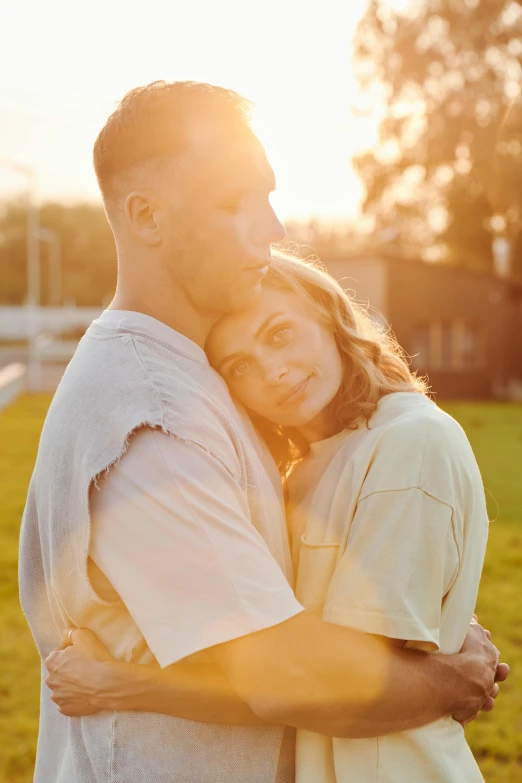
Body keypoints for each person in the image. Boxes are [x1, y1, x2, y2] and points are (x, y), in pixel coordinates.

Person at [20, 81, 502, 783]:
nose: (272, 228)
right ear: (146, 216)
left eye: (268, 196)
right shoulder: (150, 422)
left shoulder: (194, 379)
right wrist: (451, 679)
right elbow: (288, 674)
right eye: (234, 202)